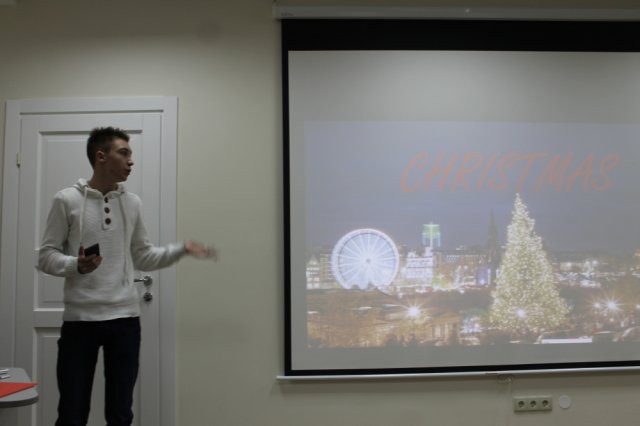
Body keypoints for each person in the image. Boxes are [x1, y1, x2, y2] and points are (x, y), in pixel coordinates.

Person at [38, 126, 216, 426]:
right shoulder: (66, 200)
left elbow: (143, 256)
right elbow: (45, 257)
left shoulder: (132, 203)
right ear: (101, 156)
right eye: (124, 153)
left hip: (125, 321)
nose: (131, 161)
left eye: (130, 154)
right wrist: (76, 265)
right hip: (79, 323)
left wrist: (182, 249)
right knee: (71, 413)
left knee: (121, 414)